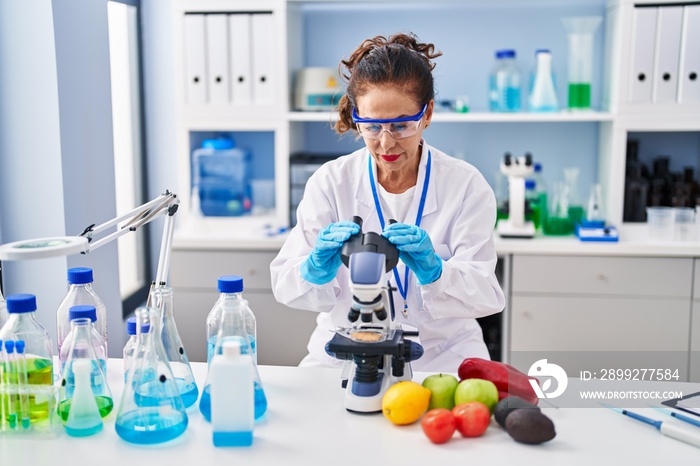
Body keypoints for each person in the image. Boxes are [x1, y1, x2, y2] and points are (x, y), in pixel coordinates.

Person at [270, 33, 505, 372]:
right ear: (356, 116)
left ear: (427, 115)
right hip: (345, 345)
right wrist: (314, 269)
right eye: (372, 126)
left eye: (402, 125)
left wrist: (436, 272)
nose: (386, 142)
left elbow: (485, 294)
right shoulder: (331, 181)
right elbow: (285, 284)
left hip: (442, 353)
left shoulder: (466, 185)